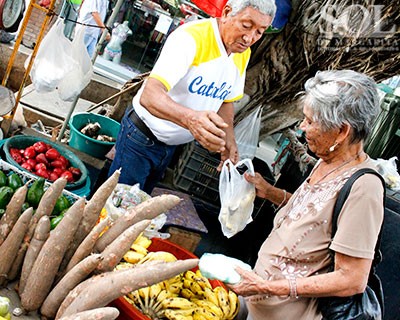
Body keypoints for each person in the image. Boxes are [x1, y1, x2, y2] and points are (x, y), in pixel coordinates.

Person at [229, 69, 384, 320]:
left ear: (342, 131)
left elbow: (352, 279)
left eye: (310, 121)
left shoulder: (364, 188)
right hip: (260, 303)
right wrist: (272, 193)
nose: (302, 127)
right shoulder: (327, 160)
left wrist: (270, 288)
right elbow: (318, 215)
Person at [108, 0, 277, 194]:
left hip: (169, 147)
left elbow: (226, 100)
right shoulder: (191, 38)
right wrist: (190, 119)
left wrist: (229, 137)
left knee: (138, 205)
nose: (249, 38)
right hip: (141, 137)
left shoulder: (241, 53)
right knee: (118, 206)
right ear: (227, 12)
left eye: (259, 32)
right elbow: (150, 95)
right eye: (246, 26)